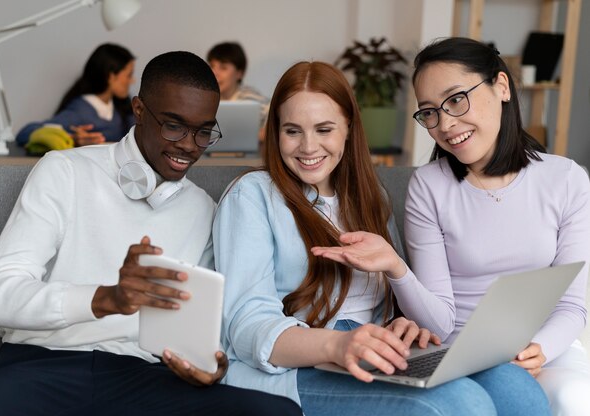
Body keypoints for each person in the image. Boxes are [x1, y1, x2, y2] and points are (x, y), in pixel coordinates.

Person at [0, 51, 301, 416]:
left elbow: (204, 329)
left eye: (204, 132)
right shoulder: (65, 171)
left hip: (145, 378)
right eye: (174, 126)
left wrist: (212, 366)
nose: (189, 145)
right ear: (139, 109)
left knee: (275, 412)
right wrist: (106, 299)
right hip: (39, 367)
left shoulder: (203, 209)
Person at [212, 60, 550, 415]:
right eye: (293, 131)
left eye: (324, 129)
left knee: (516, 388)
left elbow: (386, 304)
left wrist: (399, 324)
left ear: (348, 128)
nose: (308, 147)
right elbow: (246, 325)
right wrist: (338, 344)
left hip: (373, 352)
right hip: (294, 369)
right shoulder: (252, 195)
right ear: (276, 131)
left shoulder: (371, 197)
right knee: (461, 403)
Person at [315, 37, 590, 416]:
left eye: (456, 100)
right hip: (462, 356)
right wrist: (397, 267)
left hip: (549, 349)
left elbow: (573, 304)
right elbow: (439, 322)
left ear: (501, 87)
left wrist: (537, 349)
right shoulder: (429, 186)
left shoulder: (566, 179)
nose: (445, 124)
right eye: (429, 112)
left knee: (574, 400)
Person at [15, 43, 136, 148]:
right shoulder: (81, 112)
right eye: (129, 75)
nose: (132, 81)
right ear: (111, 77)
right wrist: (71, 139)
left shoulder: (121, 108)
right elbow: (25, 134)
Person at [207, 41, 269, 141]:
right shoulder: (204, 99)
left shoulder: (250, 98)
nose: (214, 73)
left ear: (239, 73)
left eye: (223, 68)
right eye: (212, 66)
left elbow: (275, 113)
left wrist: (262, 134)